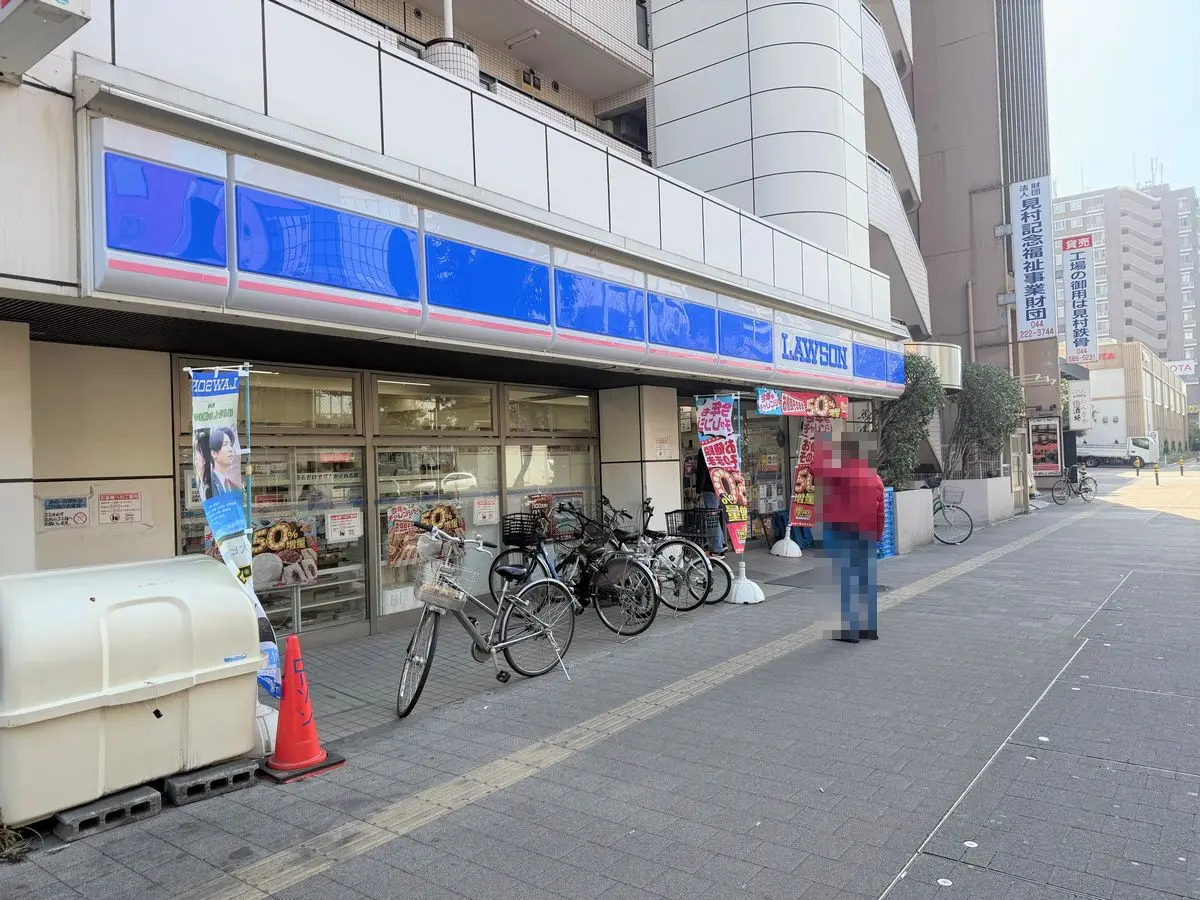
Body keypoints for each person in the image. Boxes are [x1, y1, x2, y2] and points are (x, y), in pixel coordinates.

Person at [810, 434, 885, 643]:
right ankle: (868, 629)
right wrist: (878, 536)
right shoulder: (875, 479)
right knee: (865, 582)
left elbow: (814, 470)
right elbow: (880, 513)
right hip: (867, 534)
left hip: (843, 533)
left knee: (845, 582)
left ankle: (849, 632)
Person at [694, 449, 726, 557]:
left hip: (710, 488)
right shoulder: (720, 447)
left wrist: (698, 490)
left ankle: (717, 549)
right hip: (721, 487)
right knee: (715, 517)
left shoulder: (705, 449)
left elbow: (702, 471)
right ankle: (721, 544)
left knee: (712, 519)